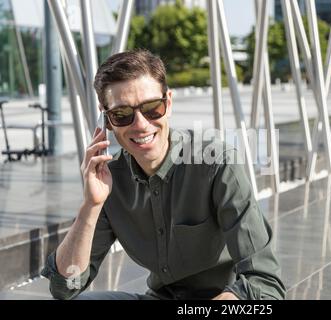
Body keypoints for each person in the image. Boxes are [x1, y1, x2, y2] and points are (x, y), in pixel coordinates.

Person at [41, 49, 285, 300]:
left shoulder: (217, 164)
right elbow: (64, 287)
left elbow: (265, 285)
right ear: (108, 121)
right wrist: (90, 205)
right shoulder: (109, 180)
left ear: (168, 103)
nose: (140, 124)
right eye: (122, 114)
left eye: (151, 108)